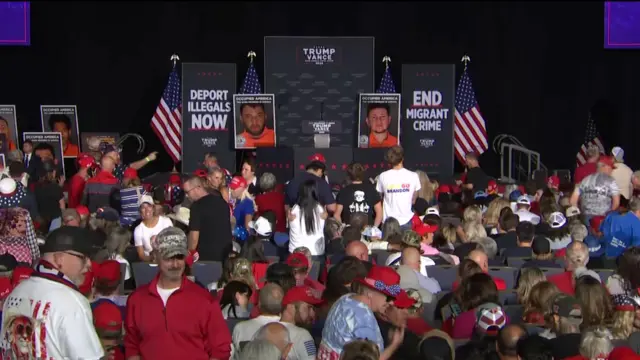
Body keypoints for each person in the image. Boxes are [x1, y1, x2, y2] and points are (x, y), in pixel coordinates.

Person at [124, 227, 231, 359]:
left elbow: (220, 349)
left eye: (179, 257)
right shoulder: (137, 300)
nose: (175, 264)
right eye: (168, 258)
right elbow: (132, 346)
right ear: (156, 256)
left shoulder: (204, 300)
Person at [0, 226, 103, 359]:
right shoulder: (71, 301)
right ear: (60, 258)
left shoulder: (15, 293)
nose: (89, 264)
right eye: (83, 257)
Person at [184, 176, 232, 261]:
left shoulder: (196, 207)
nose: (187, 196)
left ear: (198, 188)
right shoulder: (222, 203)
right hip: (225, 255)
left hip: (205, 258)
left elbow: (194, 237)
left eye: (187, 192)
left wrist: (190, 253)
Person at [376, 146, 421, 229]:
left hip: (388, 221)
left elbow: (379, 197)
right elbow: (414, 200)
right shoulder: (413, 176)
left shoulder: (383, 176)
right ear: (402, 158)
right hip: (406, 219)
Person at [336, 162, 382, 227]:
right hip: (365, 232)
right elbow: (379, 213)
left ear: (349, 175)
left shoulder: (343, 192)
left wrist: (343, 229)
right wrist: (374, 229)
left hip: (350, 232)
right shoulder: (372, 190)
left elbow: (336, 215)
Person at [133, 195, 173, 262]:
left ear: (153, 208)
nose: (147, 210)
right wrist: (153, 258)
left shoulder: (166, 221)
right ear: (140, 211)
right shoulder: (138, 230)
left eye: (149, 206)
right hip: (151, 264)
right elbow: (141, 255)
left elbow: (174, 244)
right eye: (143, 207)